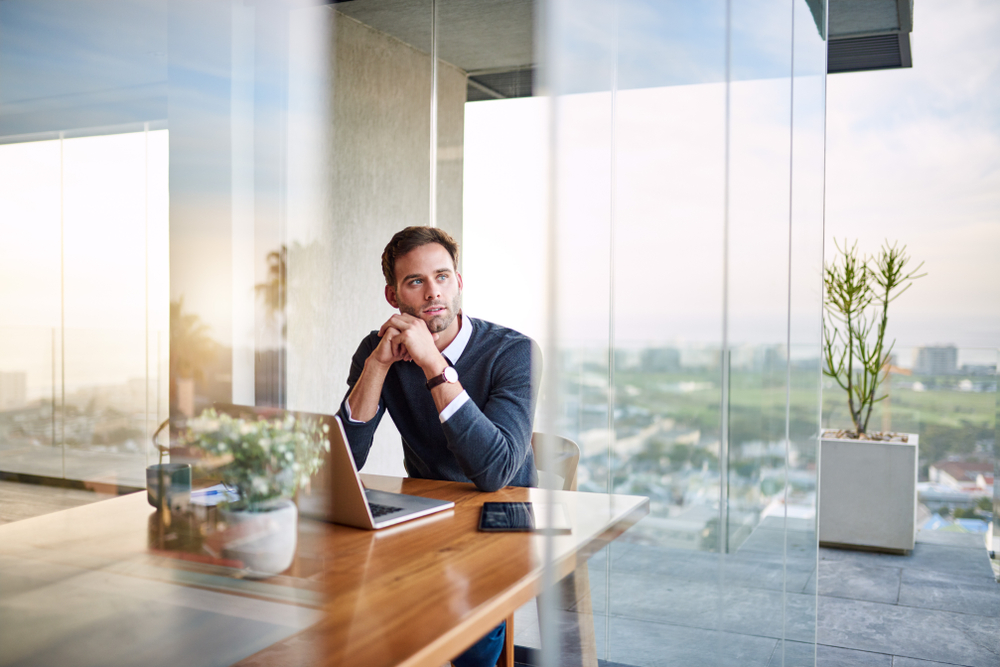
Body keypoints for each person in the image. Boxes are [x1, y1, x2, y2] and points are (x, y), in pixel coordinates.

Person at [337, 225, 540, 667]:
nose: (434, 292)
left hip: (503, 514)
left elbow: (494, 473)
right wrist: (376, 366)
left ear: (459, 282)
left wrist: (433, 363)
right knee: (350, 597)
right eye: (416, 281)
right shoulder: (379, 351)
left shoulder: (514, 352)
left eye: (443, 277)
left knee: (468, 619)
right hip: (429, 516)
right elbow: (343, 462)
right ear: (393, 297)